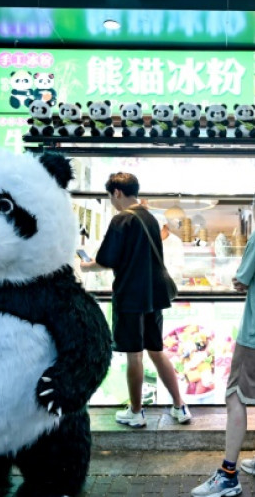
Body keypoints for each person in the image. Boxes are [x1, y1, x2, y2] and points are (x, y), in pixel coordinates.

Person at [192, 181, 255, 497]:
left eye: (253, 203)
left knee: (235, 397)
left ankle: (227, 475)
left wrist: (240, 281)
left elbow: (241, 280)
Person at [80, 172, 191, 427]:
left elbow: (107, 260)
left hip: (130, 296)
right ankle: (180, 406)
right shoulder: (150, 218)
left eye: (111, 196)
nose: (112, 201)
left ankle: (136, 412)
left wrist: (87, 266)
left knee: (134, 356)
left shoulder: (121, 219)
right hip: (154, 295)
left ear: (117, 192)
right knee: (156, 350)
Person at [155, 214, 186, 283]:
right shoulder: (153, 241)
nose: (157, 233)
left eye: (160, 230)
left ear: (166, 227)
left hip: (172, 281)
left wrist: (163, 277)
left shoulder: (176, 241)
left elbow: (178, 265)